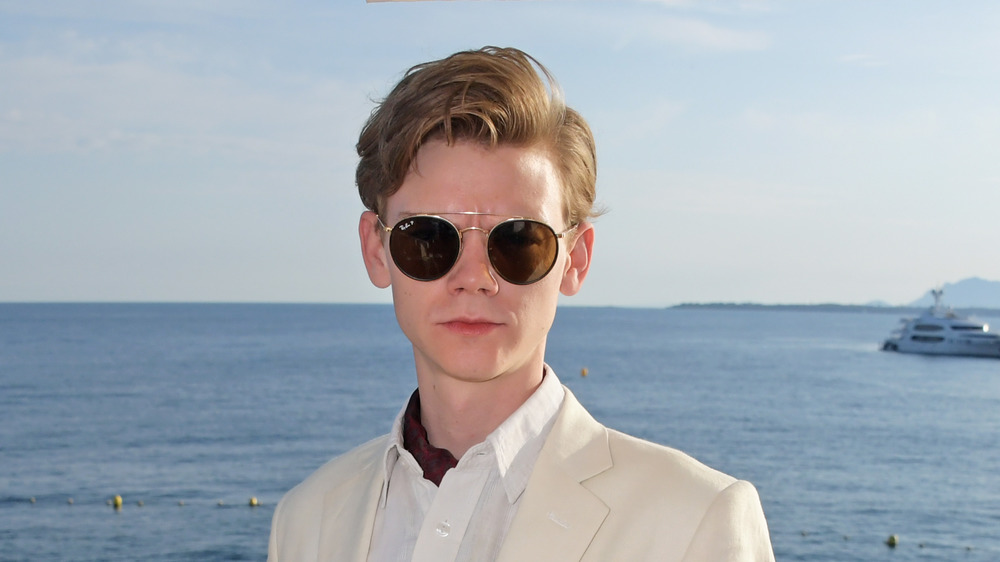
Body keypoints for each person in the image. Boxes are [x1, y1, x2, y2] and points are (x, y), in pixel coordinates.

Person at [268, 46, 774, 562]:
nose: (473, 278)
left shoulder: (696, 522)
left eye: (516, 241)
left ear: (575, 260)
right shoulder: (306, 521)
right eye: (428, 238)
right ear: (376, 251)